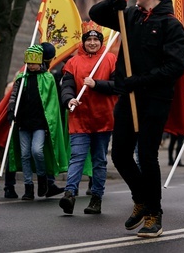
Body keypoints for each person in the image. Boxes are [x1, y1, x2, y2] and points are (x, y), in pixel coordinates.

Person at [89, 0, 184, 238]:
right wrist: (113, 2)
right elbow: (95, 14)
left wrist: (138, 80)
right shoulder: (129, 15)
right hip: (127, 97)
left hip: (154, 99)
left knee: (146, 156)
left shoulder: (171, 25)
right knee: (119, 154)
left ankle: (154, 214)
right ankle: (141, 199)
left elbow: (174, 67)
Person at [58, 22, 118, 215]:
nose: (92, 43)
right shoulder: (72, 63)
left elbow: (118, 85)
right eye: (89, 39)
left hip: (103, 119)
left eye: (95, 39)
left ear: (101, 41)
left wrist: (96, 84)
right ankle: (69, 193)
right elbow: (66, 86)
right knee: (77, 157)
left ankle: (96, 198)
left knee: (99, 160)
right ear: (83, 42)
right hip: (79, 117)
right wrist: (69, 100)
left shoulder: (110, 59)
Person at [7, 45, 65, 200]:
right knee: (25, 155)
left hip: (39, 124)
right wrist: (11, 110)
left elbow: (52, 104)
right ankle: (28, 187)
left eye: (34, 62)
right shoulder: (21, 79)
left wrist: (49, 124)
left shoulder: (48, 78)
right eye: (29, 62)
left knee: (37, 151)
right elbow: (13, 96)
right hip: (23, 124)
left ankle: (42, 179)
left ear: (41, 62)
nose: (31, 65)